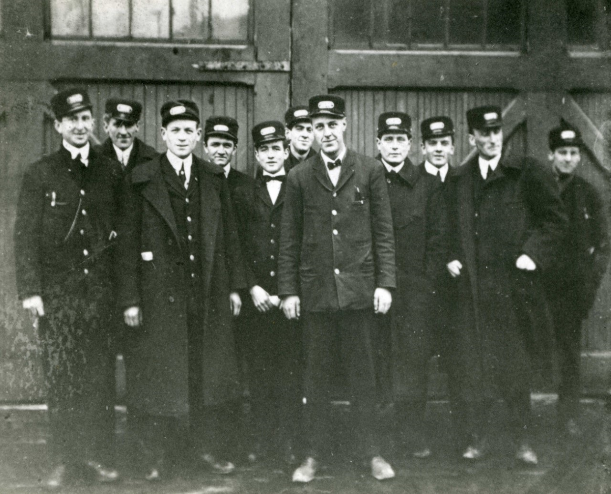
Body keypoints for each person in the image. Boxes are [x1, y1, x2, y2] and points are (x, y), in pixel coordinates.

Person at [115, 99, 246, 480]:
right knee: (158, 375)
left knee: (203, 373)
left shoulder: (211, 176)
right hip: (157, 296)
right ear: (163, 135)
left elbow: (229, 237)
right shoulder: (141, 178)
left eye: (190, 130)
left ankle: (203, 450)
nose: (183, 137)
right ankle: (156, 456)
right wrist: (130, 298)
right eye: (176, 131)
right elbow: (125, 245)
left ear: (198, 135)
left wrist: (235, 287)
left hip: (204, 293)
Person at [279, 94, 396, 482]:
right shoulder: (298, 177)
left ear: (344, 125)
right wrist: (289, 291)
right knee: (316, 378)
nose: (325, 133)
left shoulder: (370, 170)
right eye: (317, 127)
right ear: (309, 131)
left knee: (364, 376)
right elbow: (289, 240)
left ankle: (372, 453)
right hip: (316, 296)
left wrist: (385, 283)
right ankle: (312, 456)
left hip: (359, 292)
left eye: (331, 125)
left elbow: (383, 232)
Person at [445, 105, 567, 465]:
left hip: (514, 291)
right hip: (475, 293)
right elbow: (451, 228)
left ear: (502, 134)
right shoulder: (461, 178)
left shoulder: (527, 172)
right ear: (472, 138)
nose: (491, 139)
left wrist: (533, 253)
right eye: (483, 134)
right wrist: (452, 256)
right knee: (476, 369)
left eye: (496, 132)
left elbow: (555, 221)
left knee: (516, 367)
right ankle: (478, 439)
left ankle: (522, 441)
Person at [14, 88, 121, 488]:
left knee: (99, 378)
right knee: (62, 377)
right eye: (71, 120)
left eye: (85, 119)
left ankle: (97, 456)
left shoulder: (108, 171)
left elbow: (119, 232)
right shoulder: (40, 173)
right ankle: (63, 458)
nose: (80, 127)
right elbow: (24, 236)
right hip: (58, 297)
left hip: (99, 295)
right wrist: (31, 291)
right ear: (58, 125)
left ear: (94, 123)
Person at [375, 112, 448, 459]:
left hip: (415, 288)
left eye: (400, 140)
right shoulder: (366, 177)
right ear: (378, 143)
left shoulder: (426, 183)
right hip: (374, 287)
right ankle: (379, 437)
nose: (394, 146)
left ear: (409, 144)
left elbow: (437, 237)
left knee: (414, 361)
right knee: (377, 359)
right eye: (387, 140)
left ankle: (413, 433)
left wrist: (427, 280)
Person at [232, 121, 303, 465]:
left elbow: (308, 244)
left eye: (277, 149)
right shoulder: (242, 191)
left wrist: (288, 291)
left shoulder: (301, 187)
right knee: (259, 373)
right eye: (264, 150)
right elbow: (236, 245)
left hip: (290, 301)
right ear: (256, 155)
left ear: (286, 151)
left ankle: (289, 442)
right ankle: (262, 441)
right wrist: (253, 287)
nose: (271, 156)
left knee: (290, 374)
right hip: (256, 301)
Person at [543, 124, 609, 436]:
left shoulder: (588, 194)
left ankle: (568, 415)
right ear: (551, 155)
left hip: (571, 291)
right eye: (562, 153)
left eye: (573, 153)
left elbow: (603, 245)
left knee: (569, 354)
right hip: (540, 288)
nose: (568, 158)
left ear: (580, 156)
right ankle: (522, 421)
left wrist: (589, 284)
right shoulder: (539, 189)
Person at [95, 98, 157, 174]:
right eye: (117, 124)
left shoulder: (152, 159)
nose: (123, 132)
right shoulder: (94, 158)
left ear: (137, 126)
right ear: (106, 126)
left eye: (129, 124)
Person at [203, 115, 252, 194]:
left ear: (234, 149)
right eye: (215, 145)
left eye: (227, 145)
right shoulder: (196, 179)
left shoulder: (248, 183)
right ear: (205, 147)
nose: (221, 151)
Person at [284, 105, 316, 172]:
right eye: (299, 129)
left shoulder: (321, 164)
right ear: (287, 133)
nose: (305, 135)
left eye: (309, 130)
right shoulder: (277, 164)